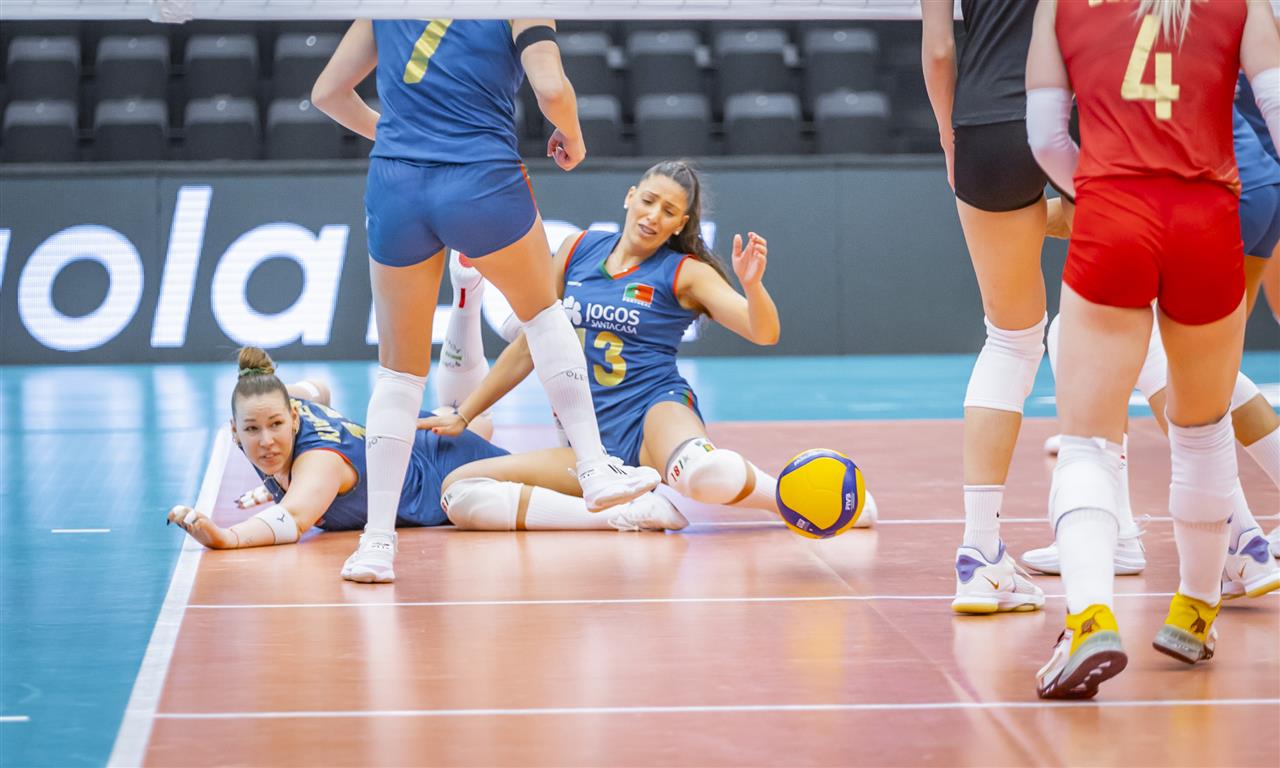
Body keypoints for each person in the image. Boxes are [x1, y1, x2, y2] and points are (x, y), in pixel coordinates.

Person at [311, 19, 658, 584]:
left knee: (398, 374)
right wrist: (573, 134)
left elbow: (327, 93)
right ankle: (595, 469)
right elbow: (551, 88)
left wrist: (398, 137)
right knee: (544, 318)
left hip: (397, 182)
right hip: (481, 177)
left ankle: (375, 544)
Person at [1025, 0, 1280, 698]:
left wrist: (1102, 190)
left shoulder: (1059, 6)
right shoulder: (1242, 5)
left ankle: (1089, 620)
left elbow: (1045, 138)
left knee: (1087, 444)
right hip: (1207, 217)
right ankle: (1195, 609)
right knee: (1202, 431)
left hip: (1113, 213)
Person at [421, 161, 878, 532]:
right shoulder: (577, 249)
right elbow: (528, 347)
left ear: (681, 223)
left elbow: (764, 332)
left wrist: (753, 286)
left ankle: (799, 499)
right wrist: (464, 415)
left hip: (653, 413)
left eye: (668, 210)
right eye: (648, 200)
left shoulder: (684, 272)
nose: (653, 216)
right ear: (630, 196)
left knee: (706, 474)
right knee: (461, 490)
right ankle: (632, 512)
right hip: (588, 446)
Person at [166, 348, 686, 551]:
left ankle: (630, 510)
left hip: (454, 469)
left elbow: (294, 520)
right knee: (462, 436)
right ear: (233, 432)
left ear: (294, 419)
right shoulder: (287, 407)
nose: (266, 440)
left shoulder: (318, 461)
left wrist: (226, 537)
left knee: (461, 496)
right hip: (434, 448)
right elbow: (316, 390)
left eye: (277, 425)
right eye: (253, 430)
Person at [921, 0, 1047, 615]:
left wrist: (951, 137)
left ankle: (980, 553)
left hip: (987, 120)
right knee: (1139, 318)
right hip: (1083, 115)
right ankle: (1235, 538)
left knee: (1012, 339)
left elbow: (939, 51)